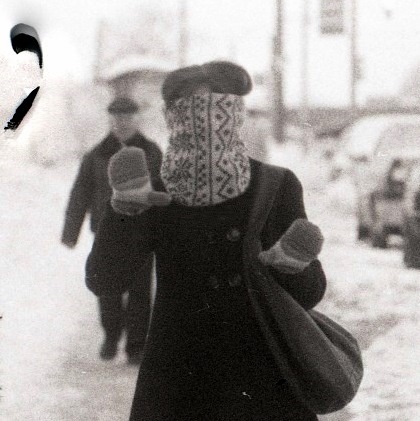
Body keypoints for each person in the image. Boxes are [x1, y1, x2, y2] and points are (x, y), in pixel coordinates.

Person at [86, 61, 327, 420]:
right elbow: (105, 281)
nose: (206, 124)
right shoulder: (155, 193)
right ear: (173, 118)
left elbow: (309, 294)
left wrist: (293, 264)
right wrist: (123, 212)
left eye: (218, 111)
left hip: (261, 380)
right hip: (178, 382)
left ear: (235, 114)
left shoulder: (275, 186)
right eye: (191, 112)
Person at [61, 97, 162, 364]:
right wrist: (70, 232)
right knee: (107, 286)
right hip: (107, 232)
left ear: (137, 119)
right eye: (117, 117)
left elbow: (164, 190)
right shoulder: (96, 154)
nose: (122, 123)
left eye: (127, 117)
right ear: (110, 119)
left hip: (142, 232)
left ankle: (136, 345)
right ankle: (111, 335)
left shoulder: (152, 152)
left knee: (140, 290)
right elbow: (80, 193)